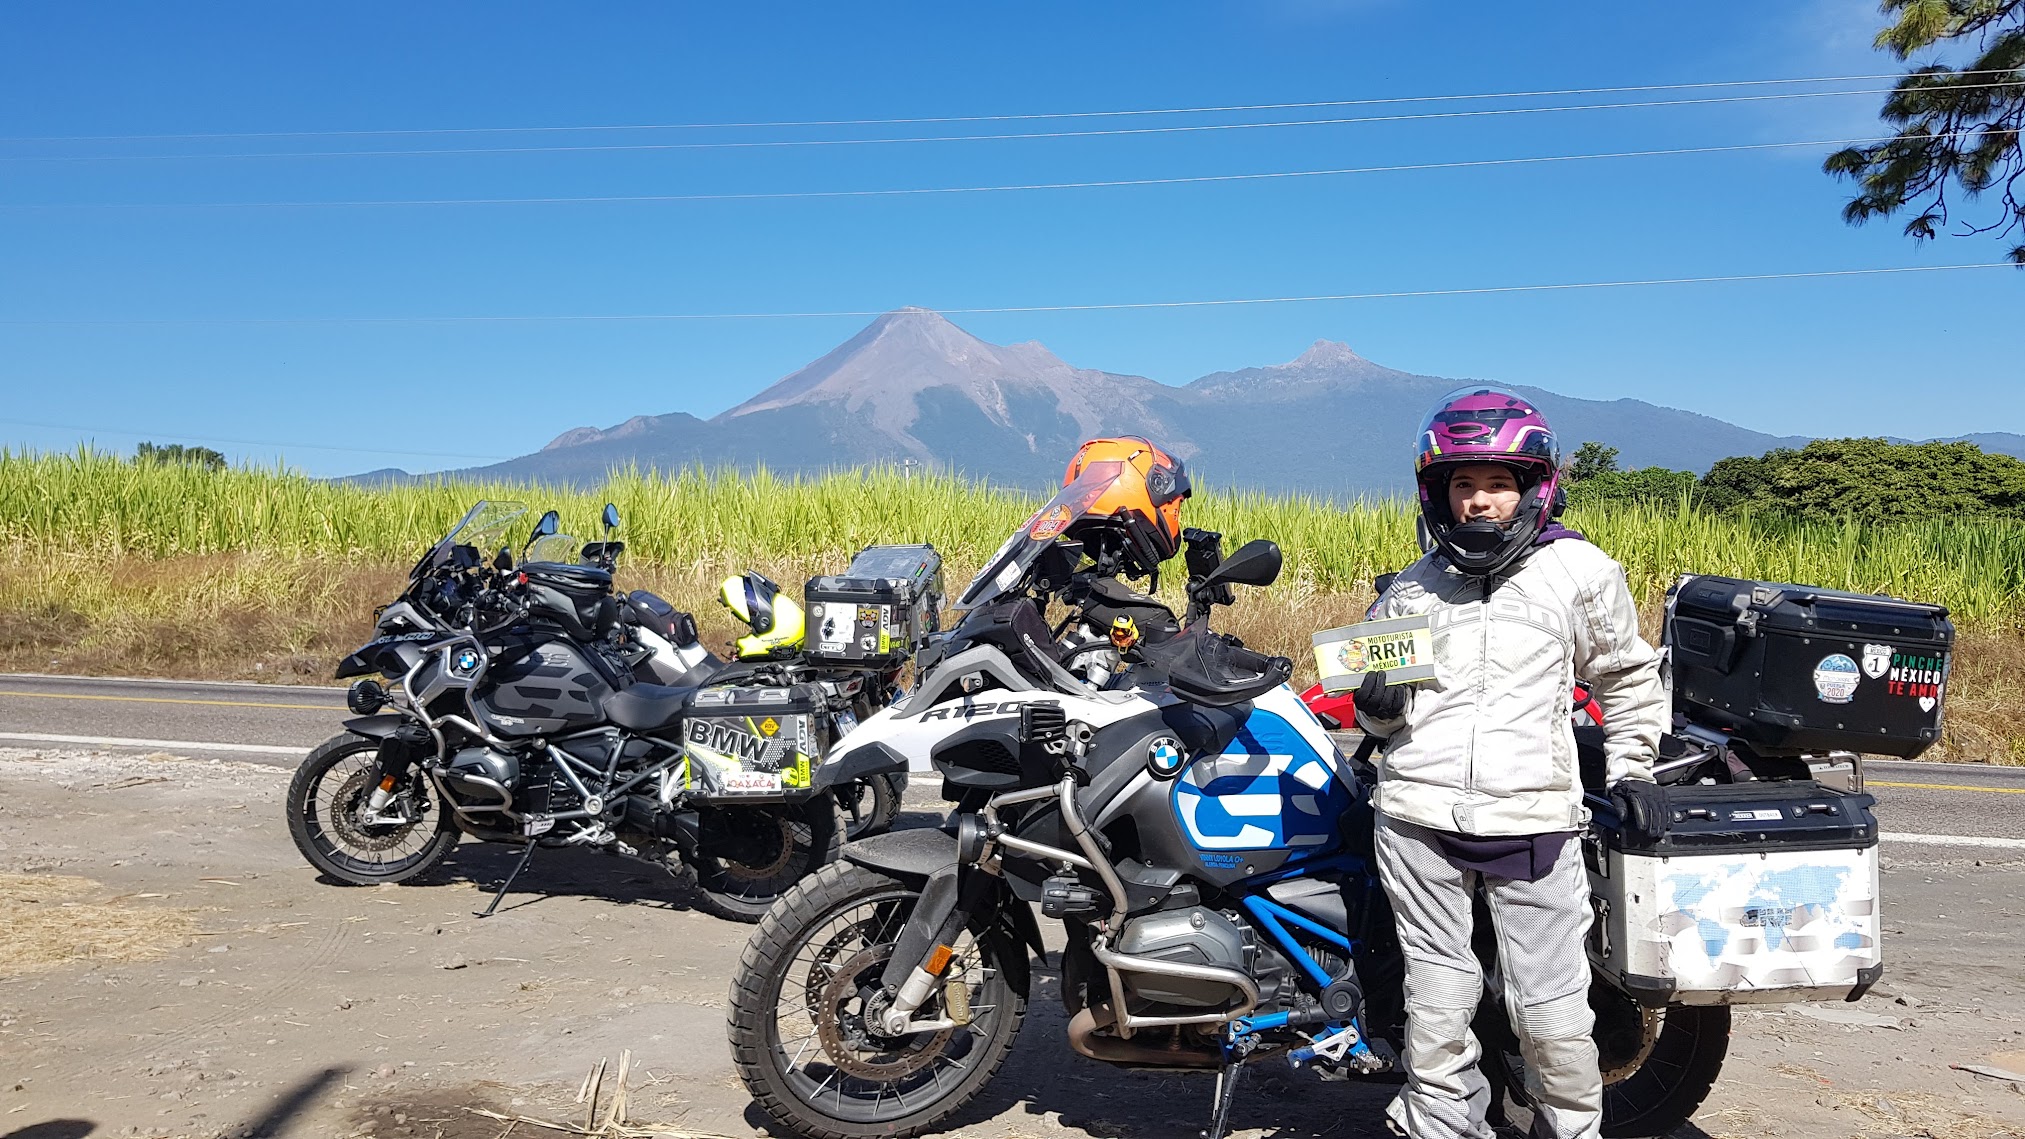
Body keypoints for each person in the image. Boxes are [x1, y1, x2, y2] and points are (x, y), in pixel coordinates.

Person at [1352, 386, 1669, 1139]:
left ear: (1534, 487)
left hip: (1532, 818)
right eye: (1462, 484)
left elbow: (1626, 676)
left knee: (1551, 1007)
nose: (1480, 501)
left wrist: (1630, 770)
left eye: (1497, 483)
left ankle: (1569, 1128)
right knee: (1435, 996)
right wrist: (1374, 699)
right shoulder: (1409, 587)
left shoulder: (1579, 572)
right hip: (1415, 818)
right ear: (1438, 494)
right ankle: (1440, 1125)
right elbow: (1373, 715)